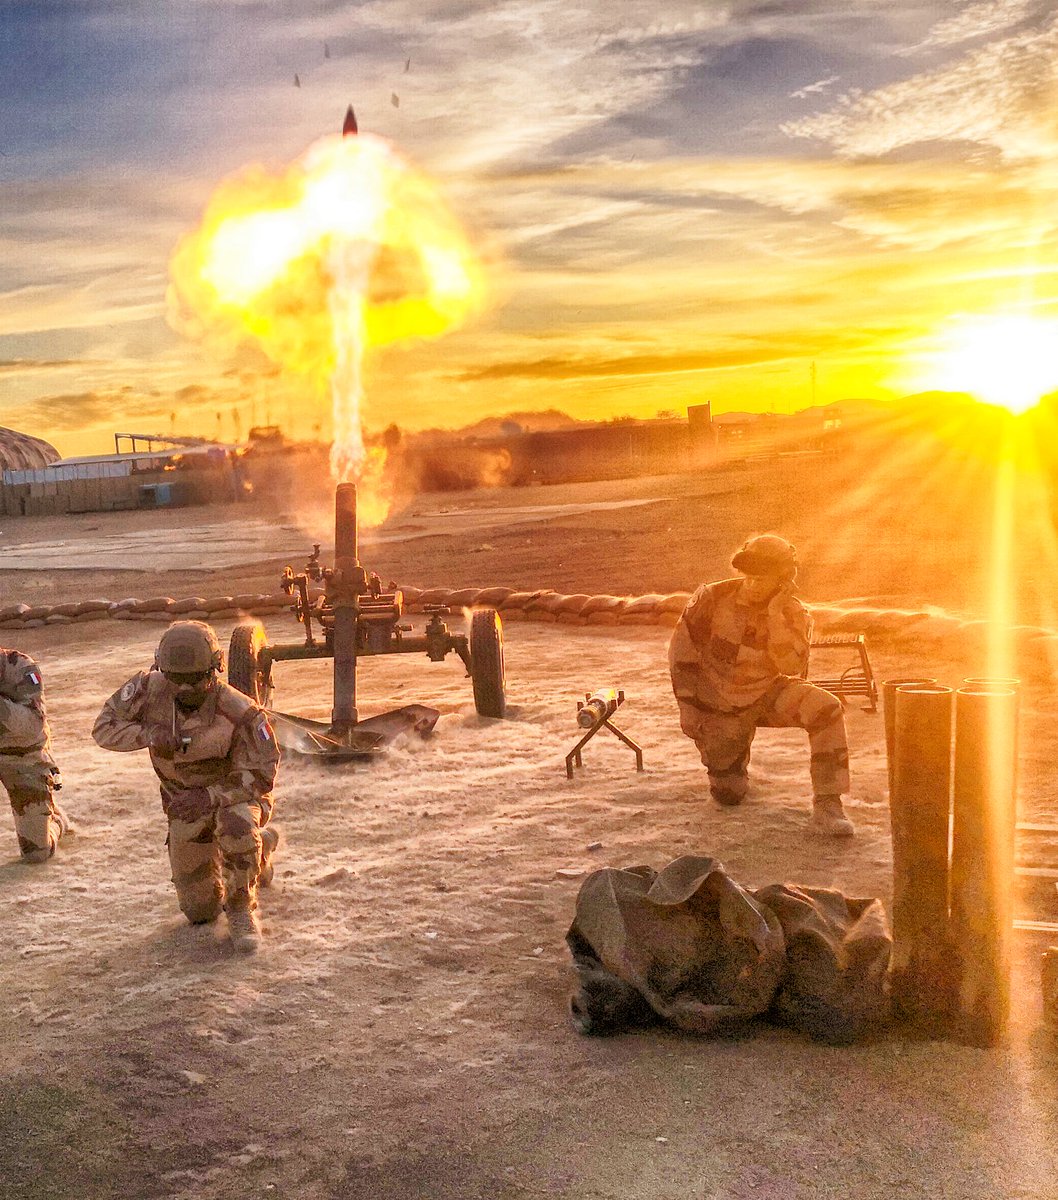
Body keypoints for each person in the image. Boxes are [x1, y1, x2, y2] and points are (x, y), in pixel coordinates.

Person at [93, 621, 280, 951]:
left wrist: (210, 796)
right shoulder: (148, 689)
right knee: (200, 911)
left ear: (215, 668)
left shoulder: (241, 712)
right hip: (183, 806)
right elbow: (104, 728)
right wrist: (148, 734)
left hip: (229, 798)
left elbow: (262, 775)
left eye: (195, 679)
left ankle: (242, 907)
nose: (184, 688)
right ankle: (258, 849)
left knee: (236, 826)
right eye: (174, 678)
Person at [668, 534, 854, 837]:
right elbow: (681, 655)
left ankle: (828, 805)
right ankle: (734, 764)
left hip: (768, 694)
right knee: (729, 795)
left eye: (762, 579)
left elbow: (792, 669)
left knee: (827, 708)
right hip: (719, 705)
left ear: (781, 580)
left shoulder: (794, 613)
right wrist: (687, 708)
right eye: (748, 577)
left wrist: (775, 615)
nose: (752, 584)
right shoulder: (711, 599)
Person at [0, 647, 68, 862]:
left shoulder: (19, 666)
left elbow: (32, 726)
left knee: (36, 854)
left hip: (23, 757)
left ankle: (56, 820)